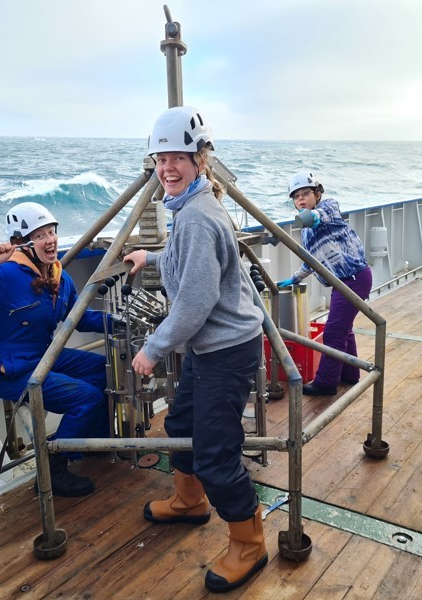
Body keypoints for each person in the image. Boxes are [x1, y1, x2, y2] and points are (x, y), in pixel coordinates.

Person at [123, 106, 269, 593]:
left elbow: (197, 300)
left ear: (200, 160)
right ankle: (189, 503)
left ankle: (250, 543)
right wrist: (151, 255)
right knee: (180, 423)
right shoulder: (191, 211)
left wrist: (154, 348)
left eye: (178, 158)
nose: (167, 167)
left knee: (215, 453)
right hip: (214, 348)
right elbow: (188, 261)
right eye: (160, 158)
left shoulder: (198, 218)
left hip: (226, 350)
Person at [0, 201, 109, 497]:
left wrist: (118, 321)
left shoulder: (59, 276)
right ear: (22, 243)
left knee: (102, 370)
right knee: (87, 396)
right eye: (42, 234)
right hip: (11, 370)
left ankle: (89, 441)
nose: (51, 240)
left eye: (52, 232)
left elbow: (78, 318)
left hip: (44, 358)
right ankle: (54, 469)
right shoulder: (3, 275)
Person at [282, 172, 372, 396]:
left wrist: (308, 217)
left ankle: (326, 383)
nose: (301, 199)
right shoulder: (306, 232)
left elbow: (318, 216)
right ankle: (350, 374)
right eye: (296, 197)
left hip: (354, 278)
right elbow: (312, 261)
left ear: (317, 194)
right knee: (344, 329)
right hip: (340, 281)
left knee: (333, 332)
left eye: (305, 194)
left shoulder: (329, 207)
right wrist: (294, 279)